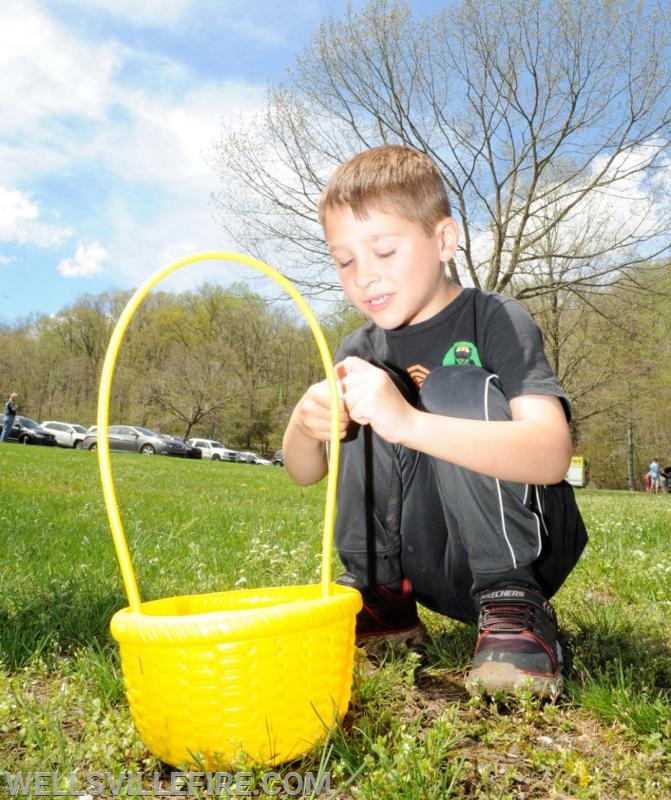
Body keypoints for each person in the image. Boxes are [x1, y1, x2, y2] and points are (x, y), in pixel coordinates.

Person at [283, 145, 588, 699]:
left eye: (383, 250)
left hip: (522, 545)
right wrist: (305, 426)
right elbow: (305, 474)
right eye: (345, 260)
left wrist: (407, 421)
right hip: (424, 558)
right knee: (364, 386)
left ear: (443, 240)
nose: (363, 276)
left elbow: (551, 455)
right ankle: (382, 598)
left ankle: (514, 607)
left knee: (452, 381)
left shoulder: (494, 318)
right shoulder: (359, 347)